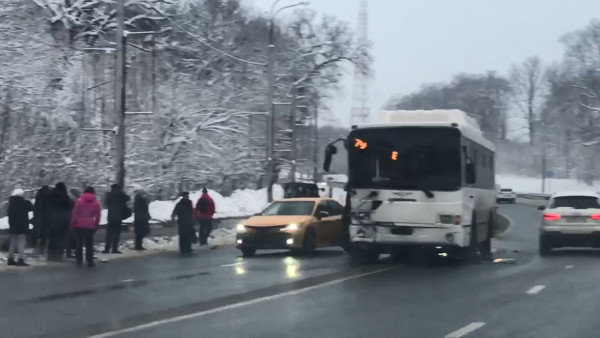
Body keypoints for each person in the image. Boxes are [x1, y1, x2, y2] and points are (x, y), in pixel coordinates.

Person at [70, 187, 101, 267]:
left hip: (79, 225)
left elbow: (75, 214)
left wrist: (72, 225)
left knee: (79, 243)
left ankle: (79, 260)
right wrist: (96, 226)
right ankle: (90, 261)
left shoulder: (79, 201)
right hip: (90, 225)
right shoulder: (96, 203)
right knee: (89, 244)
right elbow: (98, 216)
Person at [47, 182, 74, 262]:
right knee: (60, 239)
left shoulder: (50, 196)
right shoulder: (65, 197)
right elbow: (71, 205)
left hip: (51, 221)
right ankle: (58, 256)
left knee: (52, 239)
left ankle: (51, 256)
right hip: (62, 221)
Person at [7, 189, 33, 266]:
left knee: (13, 243)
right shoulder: (24, 203)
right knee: (21, 243)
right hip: (22, 226)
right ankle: (20, 259)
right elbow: (31, 208)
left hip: (13, 227)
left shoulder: (11, 204)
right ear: (21, 195)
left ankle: (10, 259)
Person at [103, 184, 131, 254]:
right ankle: (114, 249)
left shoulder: (109, 194)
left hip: (110, 217)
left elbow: (106, 203)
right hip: (118, 217)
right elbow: (128, 198)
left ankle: (106, 249)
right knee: (116, 233)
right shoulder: (120, 193)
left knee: (109, 234)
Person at [32, 186, 51, 257]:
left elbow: (35, 209)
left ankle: (35, 251)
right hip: (47, 219)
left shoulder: (38, 198)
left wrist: (35, 217)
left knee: (37, 235)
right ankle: (42, 251)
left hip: (38, 219)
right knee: (45, 236)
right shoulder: (50, 198)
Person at [65, 188, 80, 259]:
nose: (70, 195)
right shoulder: (71, 202)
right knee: (71, 238)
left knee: (72, 238)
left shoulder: (74, 202)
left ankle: (70, 252)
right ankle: (70, 253)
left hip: (72, 221)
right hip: (70, 221)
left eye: (71, 194)